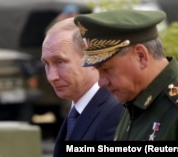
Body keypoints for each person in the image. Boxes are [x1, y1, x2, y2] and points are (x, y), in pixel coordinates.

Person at [73, 9, 178, 140]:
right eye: (98, 71)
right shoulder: (133, 101)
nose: (101, 82)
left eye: (106, 69)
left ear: (141, 56)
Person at [41, 17, 123, 156]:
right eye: (46, 64)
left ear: (91, 59)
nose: (51, 77)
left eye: (60, 62)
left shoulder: (114, 111)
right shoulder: (78, 111)